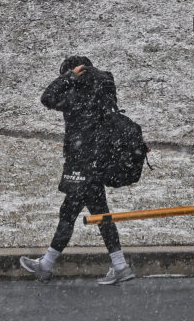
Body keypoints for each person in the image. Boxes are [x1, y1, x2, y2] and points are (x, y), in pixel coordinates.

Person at [19, 56, 135, 285]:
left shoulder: (75, 96)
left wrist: (68, 78)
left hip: (81, 165)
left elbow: (47, 98)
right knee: (99, 214)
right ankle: (119, 265)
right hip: (96, 163)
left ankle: (47, 265)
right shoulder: (103, 92)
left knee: (72, 214)